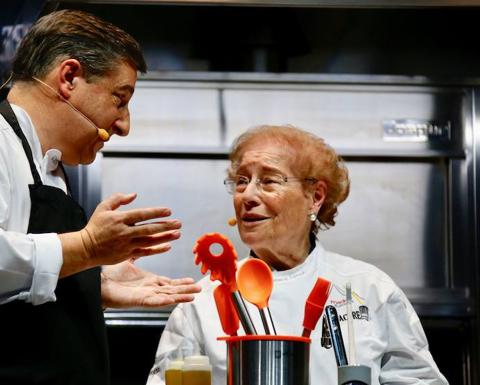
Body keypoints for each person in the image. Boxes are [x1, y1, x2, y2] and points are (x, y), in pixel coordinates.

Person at [0, 9, 200, 385]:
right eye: (119, 99)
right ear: (69, 77)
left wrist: (91, 282)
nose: (124, 125)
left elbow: (21, 283)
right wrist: (87, 248)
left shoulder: (53, 170)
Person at [147, 125, 448, 385]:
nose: (248, 196)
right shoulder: (203, 302)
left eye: (268, 181)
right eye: (241, 181)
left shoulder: (368, 289)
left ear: (315, 198)